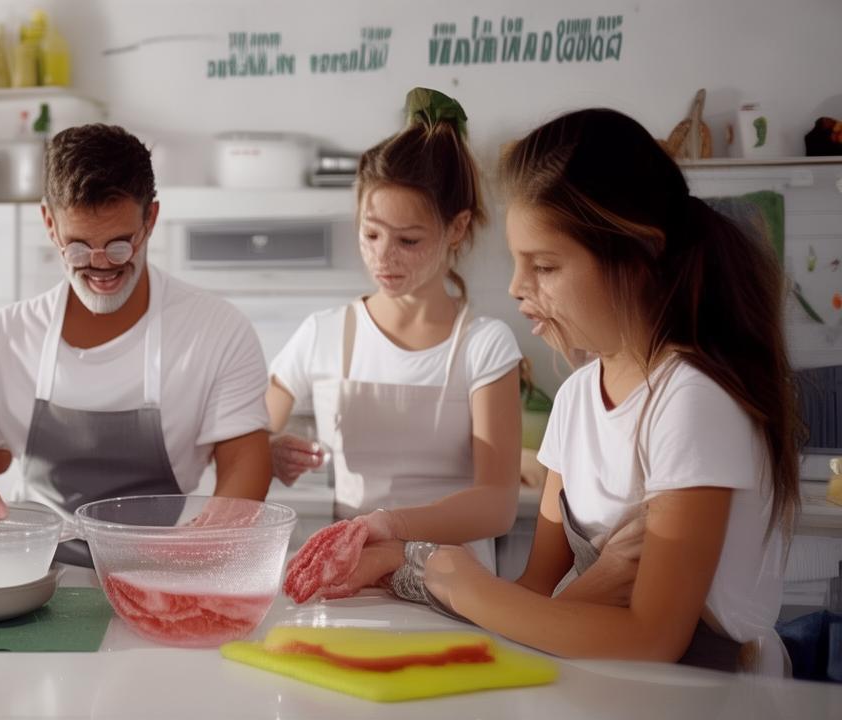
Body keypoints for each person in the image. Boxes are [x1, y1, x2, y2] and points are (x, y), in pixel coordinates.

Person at [342, 109, 800, 675]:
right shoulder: (579, 396)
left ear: (637, 258)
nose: (516, 287)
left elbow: (652, 637)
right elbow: (539, 595)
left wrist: (454, 578)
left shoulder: (690, 399)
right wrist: (406, 564)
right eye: (517, 264)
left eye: (546, 266)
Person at [0, 124, 272, 565]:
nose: (99, 266)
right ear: (49, 224)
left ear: (150, 220)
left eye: (119, 246)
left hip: (164, 573)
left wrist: (211, 540)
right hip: (34, 575)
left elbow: (246, 459)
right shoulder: (1, 339)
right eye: (78, 247)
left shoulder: (216, 330)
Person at [270, 89, 522, 572]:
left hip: (455, 586)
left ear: (457, 228)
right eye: (370, 234)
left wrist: (390, 525)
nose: (383, 256)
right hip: (351, 578)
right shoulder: (323, 333)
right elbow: (244, 435)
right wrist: (267, 452)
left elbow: (497, 503)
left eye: (408, 240)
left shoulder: (484, 345)